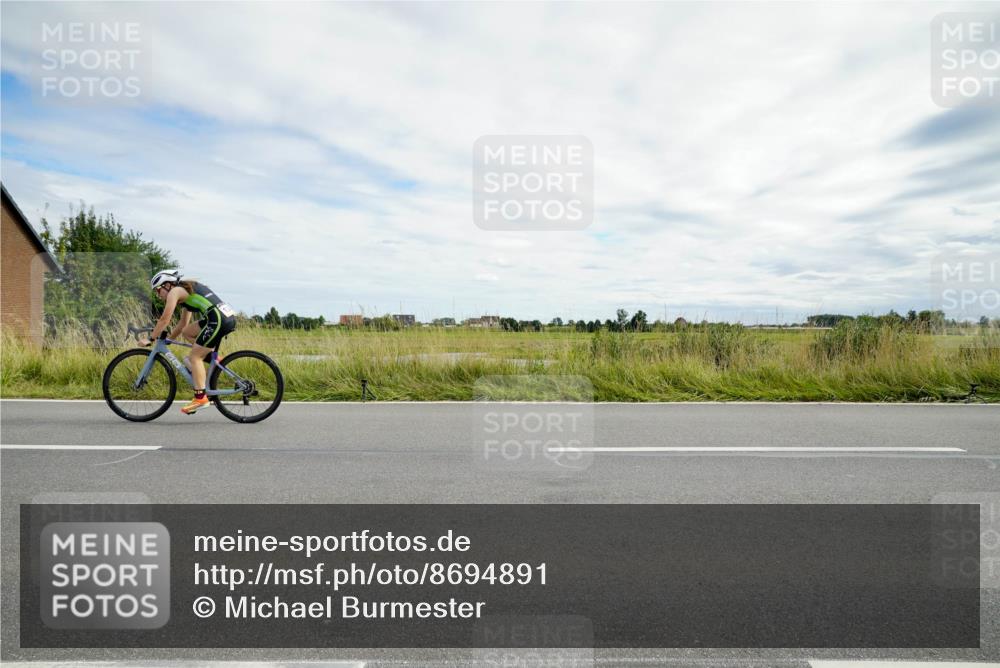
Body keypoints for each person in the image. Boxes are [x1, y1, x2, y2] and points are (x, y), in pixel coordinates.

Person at [141, 269, 237, 414]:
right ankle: (215, 360)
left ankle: (200, 398)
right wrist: (169, 340)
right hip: (220, 318)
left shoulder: (175, 292)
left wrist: (150, 338)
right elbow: (183, 325)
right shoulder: (186, 291)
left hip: (218, 320)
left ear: (167, 285)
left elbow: (164, 319)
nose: (158, 295)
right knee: (188, 332)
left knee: (194, 358)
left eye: (158, 290)